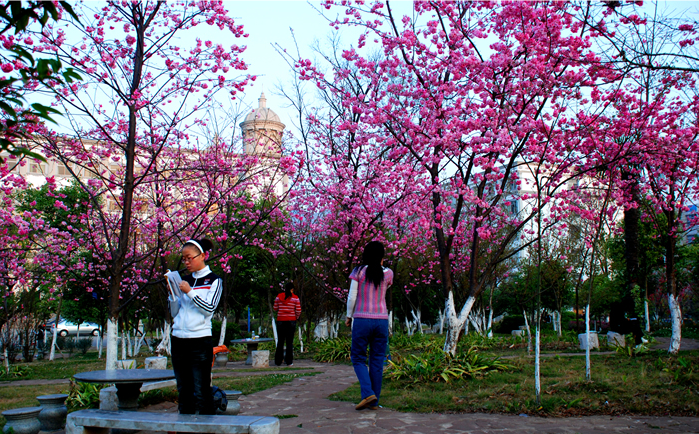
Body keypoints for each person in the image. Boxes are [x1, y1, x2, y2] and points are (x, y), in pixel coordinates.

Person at [168, 238, 222, 415]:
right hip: (179, 340)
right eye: (184, 258)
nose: (186, 262)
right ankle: (185, 427)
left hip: (199, 341)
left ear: (202, 256)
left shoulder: (214, 280)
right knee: (183, 390)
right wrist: (173, 296)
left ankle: (206, 427)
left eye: (190, 258)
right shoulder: (185, 280)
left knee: (201, 390)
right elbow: (175, 313)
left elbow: (209, 309)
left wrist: (189, 292)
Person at [344, 241, 393, 411]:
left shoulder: (358, 271)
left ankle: (367, 393)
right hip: (381, 320)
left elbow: (352, 297)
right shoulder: (388, 273)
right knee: (377, 361)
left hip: (362, 320)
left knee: (357, 358)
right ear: (381, 256)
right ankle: (374, 401)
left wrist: (349, 316)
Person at [273, 282, 301, 366]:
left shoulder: (278, 297)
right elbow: (298, 310)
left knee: (280, 341)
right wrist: (295, 317)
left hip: (281, 321)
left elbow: (275, 308)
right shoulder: (295, 298)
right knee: (289, 342)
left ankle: (278, 361)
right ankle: (289, 361)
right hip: (291, 321)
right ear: (291, 289)